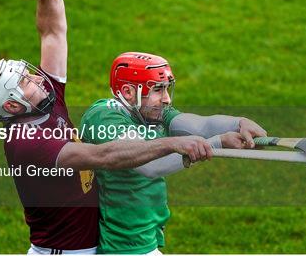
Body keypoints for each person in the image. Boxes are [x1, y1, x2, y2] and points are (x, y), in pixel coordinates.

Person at [0, 0, 213, 255]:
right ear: (12, 106)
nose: (35, 77)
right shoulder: (28, 142)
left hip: (91, 245)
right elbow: (105, 156)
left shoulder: (44, 97)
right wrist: (172, 143)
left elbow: (52, 32)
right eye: (24, 81)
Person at [80, 52, 269, 254]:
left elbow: (200, 124)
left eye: (167, 88)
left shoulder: (149, 111)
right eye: (158, 90)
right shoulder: (104, 117)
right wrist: (216, 143)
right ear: (128, 92)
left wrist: (238, 122)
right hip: (122, 244)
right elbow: (150, 166)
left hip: (142, 238)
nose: (167, 99)